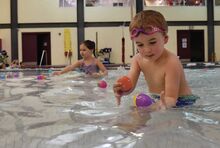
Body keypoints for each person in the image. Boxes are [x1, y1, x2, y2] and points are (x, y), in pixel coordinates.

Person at [113, 10, 199, 110]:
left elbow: (171, 98)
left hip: (183, 102)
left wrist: (153, 108)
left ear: (165, 39)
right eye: (140, 45)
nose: (147, 50)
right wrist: (122, 90)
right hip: (158, 98)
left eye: (152, 42)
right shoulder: (137, 59)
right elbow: (130, 85)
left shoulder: (171, 62)